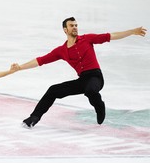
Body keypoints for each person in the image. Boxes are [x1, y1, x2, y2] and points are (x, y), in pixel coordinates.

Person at [11, 17, 147, 128]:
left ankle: (100, 106)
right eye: (71, 25)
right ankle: (34, 118)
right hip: (82, 80)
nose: (75, 27)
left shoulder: (87, 39)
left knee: (90, 90)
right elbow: (41, 60)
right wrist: (20, 67)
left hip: (95, 77)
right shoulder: (61, 50)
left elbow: (110, 36)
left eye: (76, 25)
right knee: (53, 90)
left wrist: (132, 31)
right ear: (65, 29)